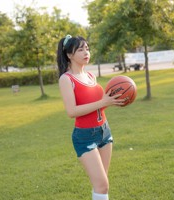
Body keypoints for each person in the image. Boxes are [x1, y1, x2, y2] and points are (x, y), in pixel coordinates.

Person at [57, 35, 124, 200]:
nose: (86, 52)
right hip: (85, 137)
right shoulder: (66, 79)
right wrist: (103, 101)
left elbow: (98, 106)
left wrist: (113, 101)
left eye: (87, 48)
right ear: (69, 55)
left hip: (104, 132)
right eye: (80, 49)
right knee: (102, 185)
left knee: (101, 184)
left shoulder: (90, 76)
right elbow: (71, 111)